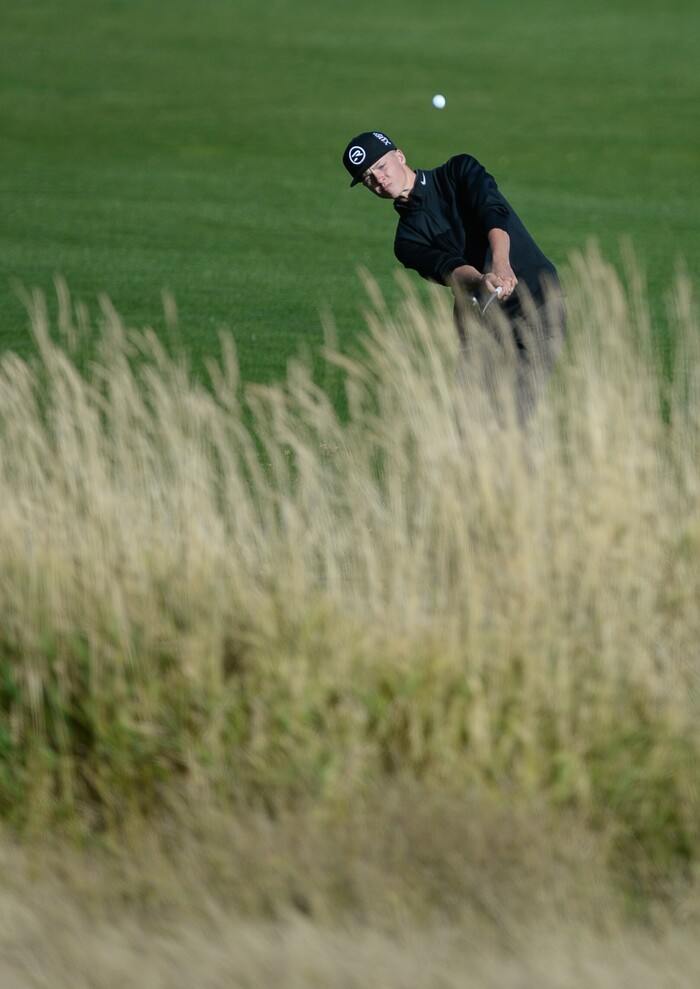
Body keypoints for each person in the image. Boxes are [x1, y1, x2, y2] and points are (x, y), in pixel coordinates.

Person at [341, 131, 566, 419]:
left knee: (513, 420)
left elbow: (493, 211)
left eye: (382, 167)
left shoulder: (459, 171)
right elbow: (450, 269)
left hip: (539, 306)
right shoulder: (407, 241)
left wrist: (500, 263)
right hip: (484, 327)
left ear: (400, 156)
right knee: (467, 424)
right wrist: (481, 279)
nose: (379, 180)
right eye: (368, 178)